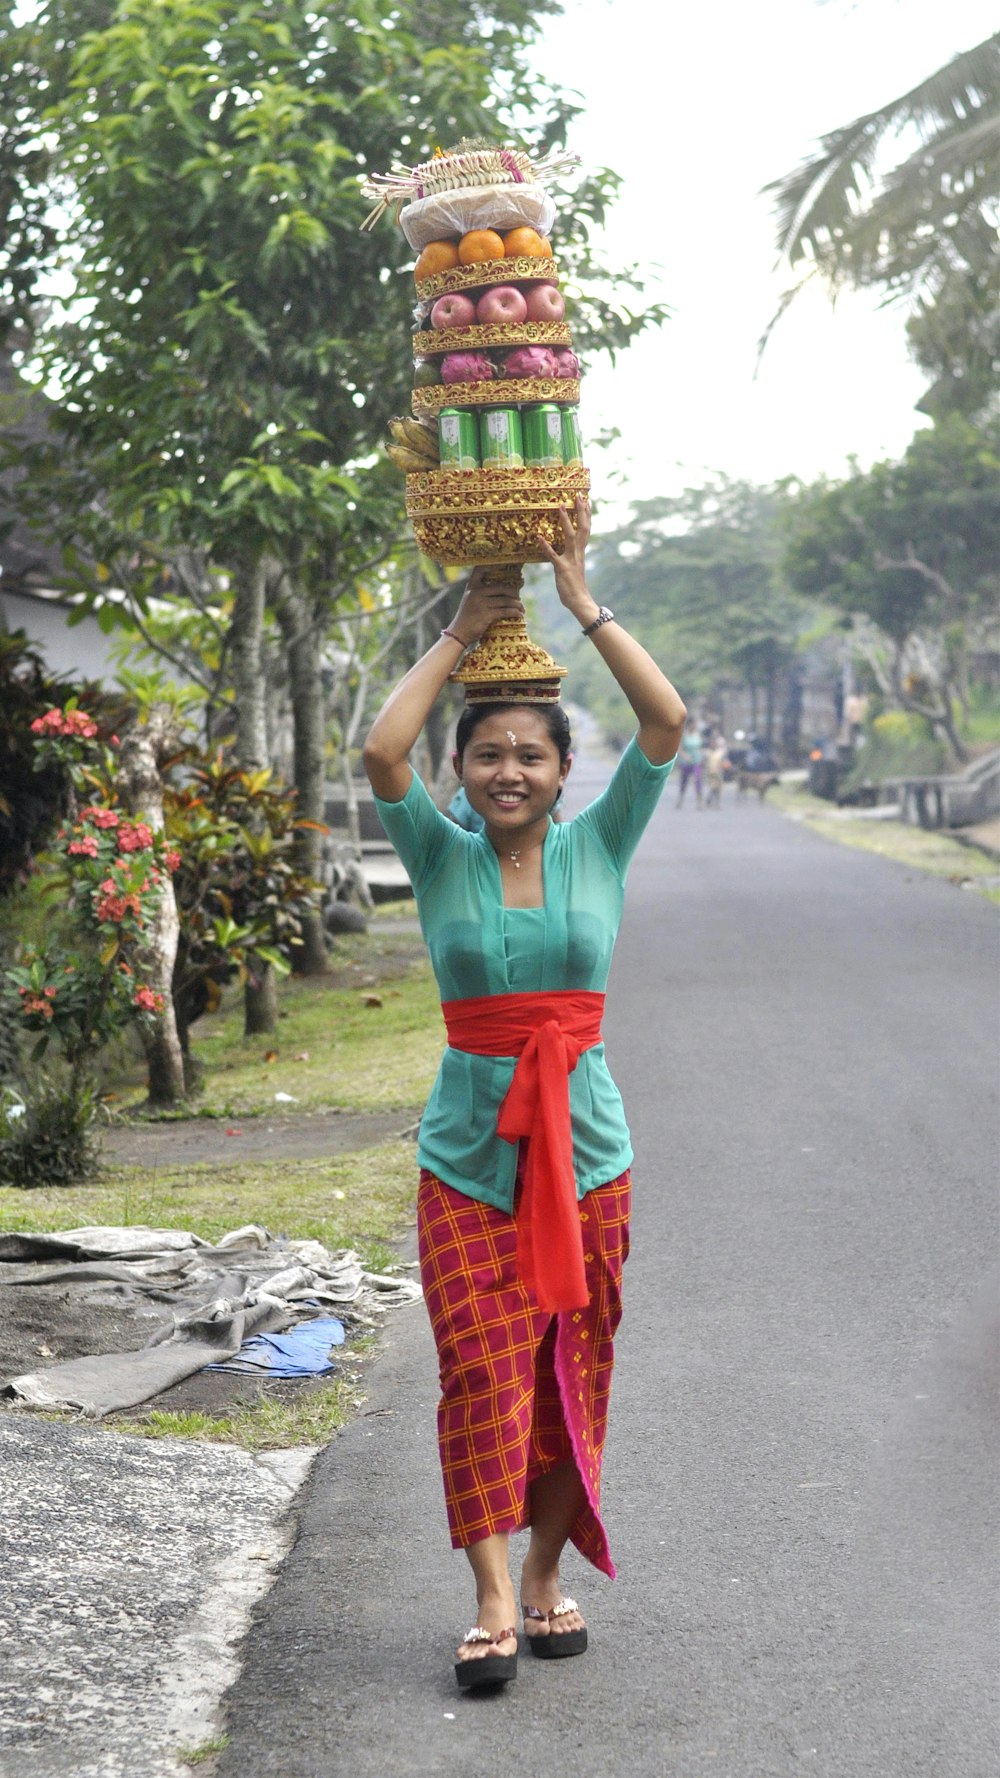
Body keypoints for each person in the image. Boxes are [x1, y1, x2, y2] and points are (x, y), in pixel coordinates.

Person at [362, 498, 686, 1691]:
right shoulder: (436, 849)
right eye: (488, 753)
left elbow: (664, 718)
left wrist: (581, 601)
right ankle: (492, 1593)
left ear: (561, 769)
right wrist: (462, 630)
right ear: (464, 770)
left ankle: (547, 1573)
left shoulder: (601, 842)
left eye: (530, 754)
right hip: (465, 1157)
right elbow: (381, 752)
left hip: (589, 1150)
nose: (509, 770)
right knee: (479, 1370)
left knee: (573, 1363)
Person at [675, 718, 704, 807]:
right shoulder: (684, 735)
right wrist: (685, 756)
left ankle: (699, 801)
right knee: (684, 781)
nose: (693, 726)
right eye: (692, 724)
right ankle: (680, 799)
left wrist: (702, 757)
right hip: (686, 761)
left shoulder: (698, 735)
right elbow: (679, 748)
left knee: (698, 780)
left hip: (697, 761)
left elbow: (700, 747)